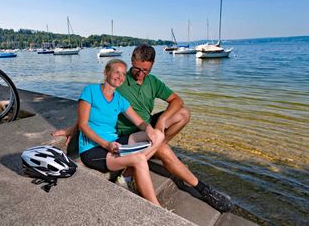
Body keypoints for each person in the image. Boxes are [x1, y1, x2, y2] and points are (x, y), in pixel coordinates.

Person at [53, 44, 233, 212]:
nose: (140, 74)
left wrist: (161, 121)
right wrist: (72, 129)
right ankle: (201, 188)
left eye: (145, 70)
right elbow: (92, 111)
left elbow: (176, 101)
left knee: (183, 114)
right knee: (160, 145)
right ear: (131, 61)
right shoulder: (119, 82)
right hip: (125, 133)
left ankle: (153, 150)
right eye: (137, 69)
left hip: (143, 125)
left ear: (152, 65)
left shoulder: (151, 81)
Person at [61, 59, 165, 206]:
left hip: (115, 144)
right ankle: (157, 208)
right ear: (106, 72)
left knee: (159, 135)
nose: (120, 77)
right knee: (140, 160)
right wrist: (106, 144)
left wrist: (149, 129)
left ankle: (127, 174)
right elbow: (83, 125)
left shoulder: (119, 99)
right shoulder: (90, 91)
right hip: (93, 150)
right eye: (117, 72)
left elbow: (140, 122)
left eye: (123, 74)